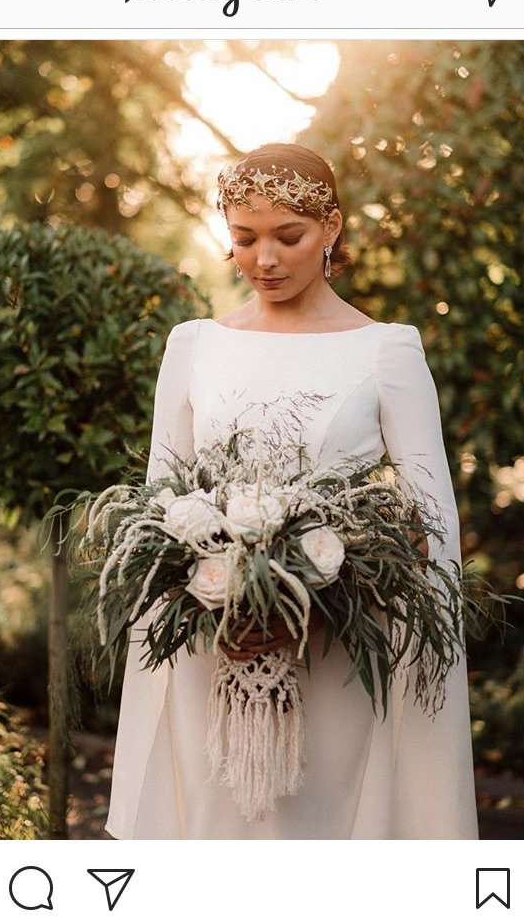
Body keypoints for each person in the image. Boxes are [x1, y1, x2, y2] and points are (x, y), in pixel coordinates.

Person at [106, 142, 478, 840]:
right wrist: (207, 593)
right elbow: (159, 499)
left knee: (322, 833)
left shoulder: (386, 350)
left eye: (288, 237)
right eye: (244, 239)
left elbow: (432, 520)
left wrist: (341, 602)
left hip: (339, 647)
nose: (264, 260)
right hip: (209, 643)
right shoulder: (193, 344)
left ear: (331, 228)